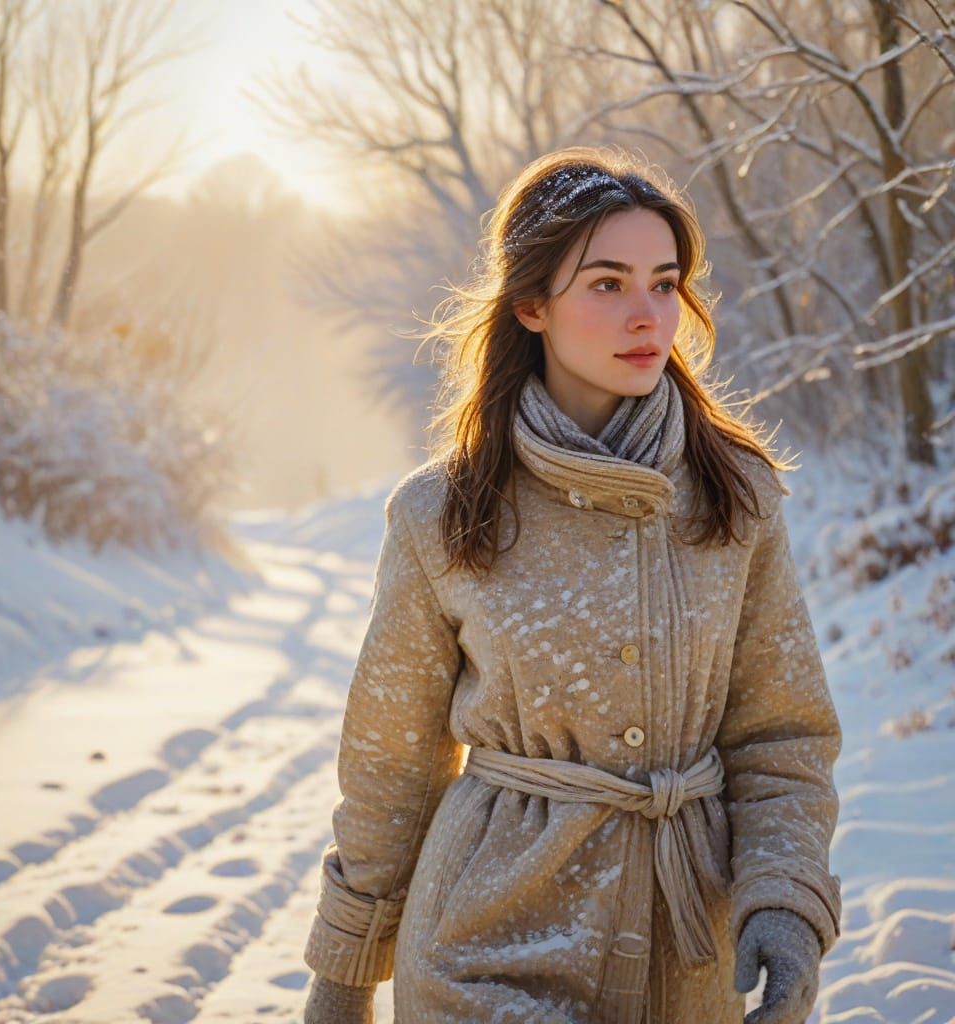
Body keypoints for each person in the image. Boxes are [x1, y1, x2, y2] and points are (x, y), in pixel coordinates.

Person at [301, 145, 842, 1024]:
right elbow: (390, 765)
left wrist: (785, 907)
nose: (646, 315)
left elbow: (782, 737)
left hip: (685, 956)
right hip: (483, 947)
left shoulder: (736, 499)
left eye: (664, 284)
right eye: (607, 284)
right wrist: (344, 973)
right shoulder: (442, 514)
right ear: (531, 305)